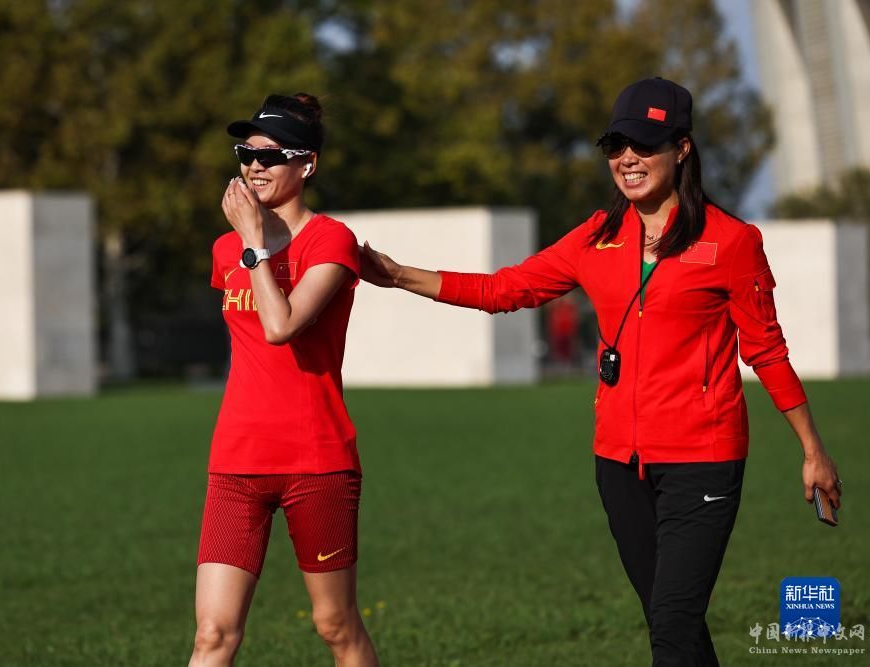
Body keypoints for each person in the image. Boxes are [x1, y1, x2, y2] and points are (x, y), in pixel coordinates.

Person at [359, 77, 842, 666]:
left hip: (703, 459)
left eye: (644, 144)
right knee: (672, 624)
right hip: (618, 463)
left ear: (681, 149)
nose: (627, 158)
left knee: (672, 626)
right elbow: (504, 289)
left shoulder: (733, 241)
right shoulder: (596, 236)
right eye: (616, 145)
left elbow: (766, 350)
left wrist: (812, 449)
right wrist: (398, 275)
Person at [189, 93, 378, 667]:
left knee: (335, 626)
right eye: (246, 154)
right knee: (212, 634)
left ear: (308, 164)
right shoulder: (224, 249)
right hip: (236, 460)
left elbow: (281, 327)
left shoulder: (331, 241)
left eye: (271, 156)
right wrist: (247, 244)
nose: (254, 166)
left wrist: (255, 246)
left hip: (315, 460)